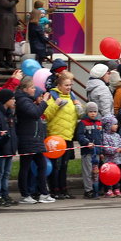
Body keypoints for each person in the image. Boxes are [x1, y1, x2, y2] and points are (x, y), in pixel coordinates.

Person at [15, 81, 52, 204]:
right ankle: (25, 194)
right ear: (25, 89)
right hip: (27, 139)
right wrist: (44, 102)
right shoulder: (22, 101)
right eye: (31, 87)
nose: (33, 89)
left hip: (35, 140)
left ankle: (43, 193)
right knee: (25, 167)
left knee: (42, 165)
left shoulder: (28, 101)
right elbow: (35, 113)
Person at [44, 70, 78, 199]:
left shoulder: (71, 98)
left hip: (68, 136)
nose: (69, 88)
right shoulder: (53, 96)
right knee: (56, 166)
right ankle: (54, 189)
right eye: (66, 85)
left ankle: (64, 189)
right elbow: (46, 114)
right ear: (59, 86)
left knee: (64, 165)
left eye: (70, 85)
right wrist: (56, 105)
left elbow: (74, 116)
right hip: (56, 136)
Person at [77, 101, 105, 198]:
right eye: (90, 111)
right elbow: (80, 136)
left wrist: (101, 152)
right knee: (88, 171)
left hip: (96, 152)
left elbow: (101, 138)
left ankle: (96, 188)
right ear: (87, 112)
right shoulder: (83, 123)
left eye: (94, 111)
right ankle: (88, 190)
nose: (93, 113)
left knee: (95, 172)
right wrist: (86, 143)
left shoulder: (99, 123)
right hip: (87, 152)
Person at [0, 0, 21, 65]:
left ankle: (9, 61)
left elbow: (14, 12)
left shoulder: (10, 1)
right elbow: (8, 5)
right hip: (4, 25)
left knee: (9, 45)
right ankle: (2, 61)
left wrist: (17, 22)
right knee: (3, 44)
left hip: (9, 25)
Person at [101, 115, 121, 197]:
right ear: (108, 125)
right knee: (108, 176)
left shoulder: (117, 135)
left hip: (117, 160)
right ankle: (108, 189)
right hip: (109, 161)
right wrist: (115, 150)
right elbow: (106, 148)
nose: (116, 126)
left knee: (116, 175)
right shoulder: (105, 136)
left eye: (116, 124)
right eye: (114, 124)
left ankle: (116, 189)